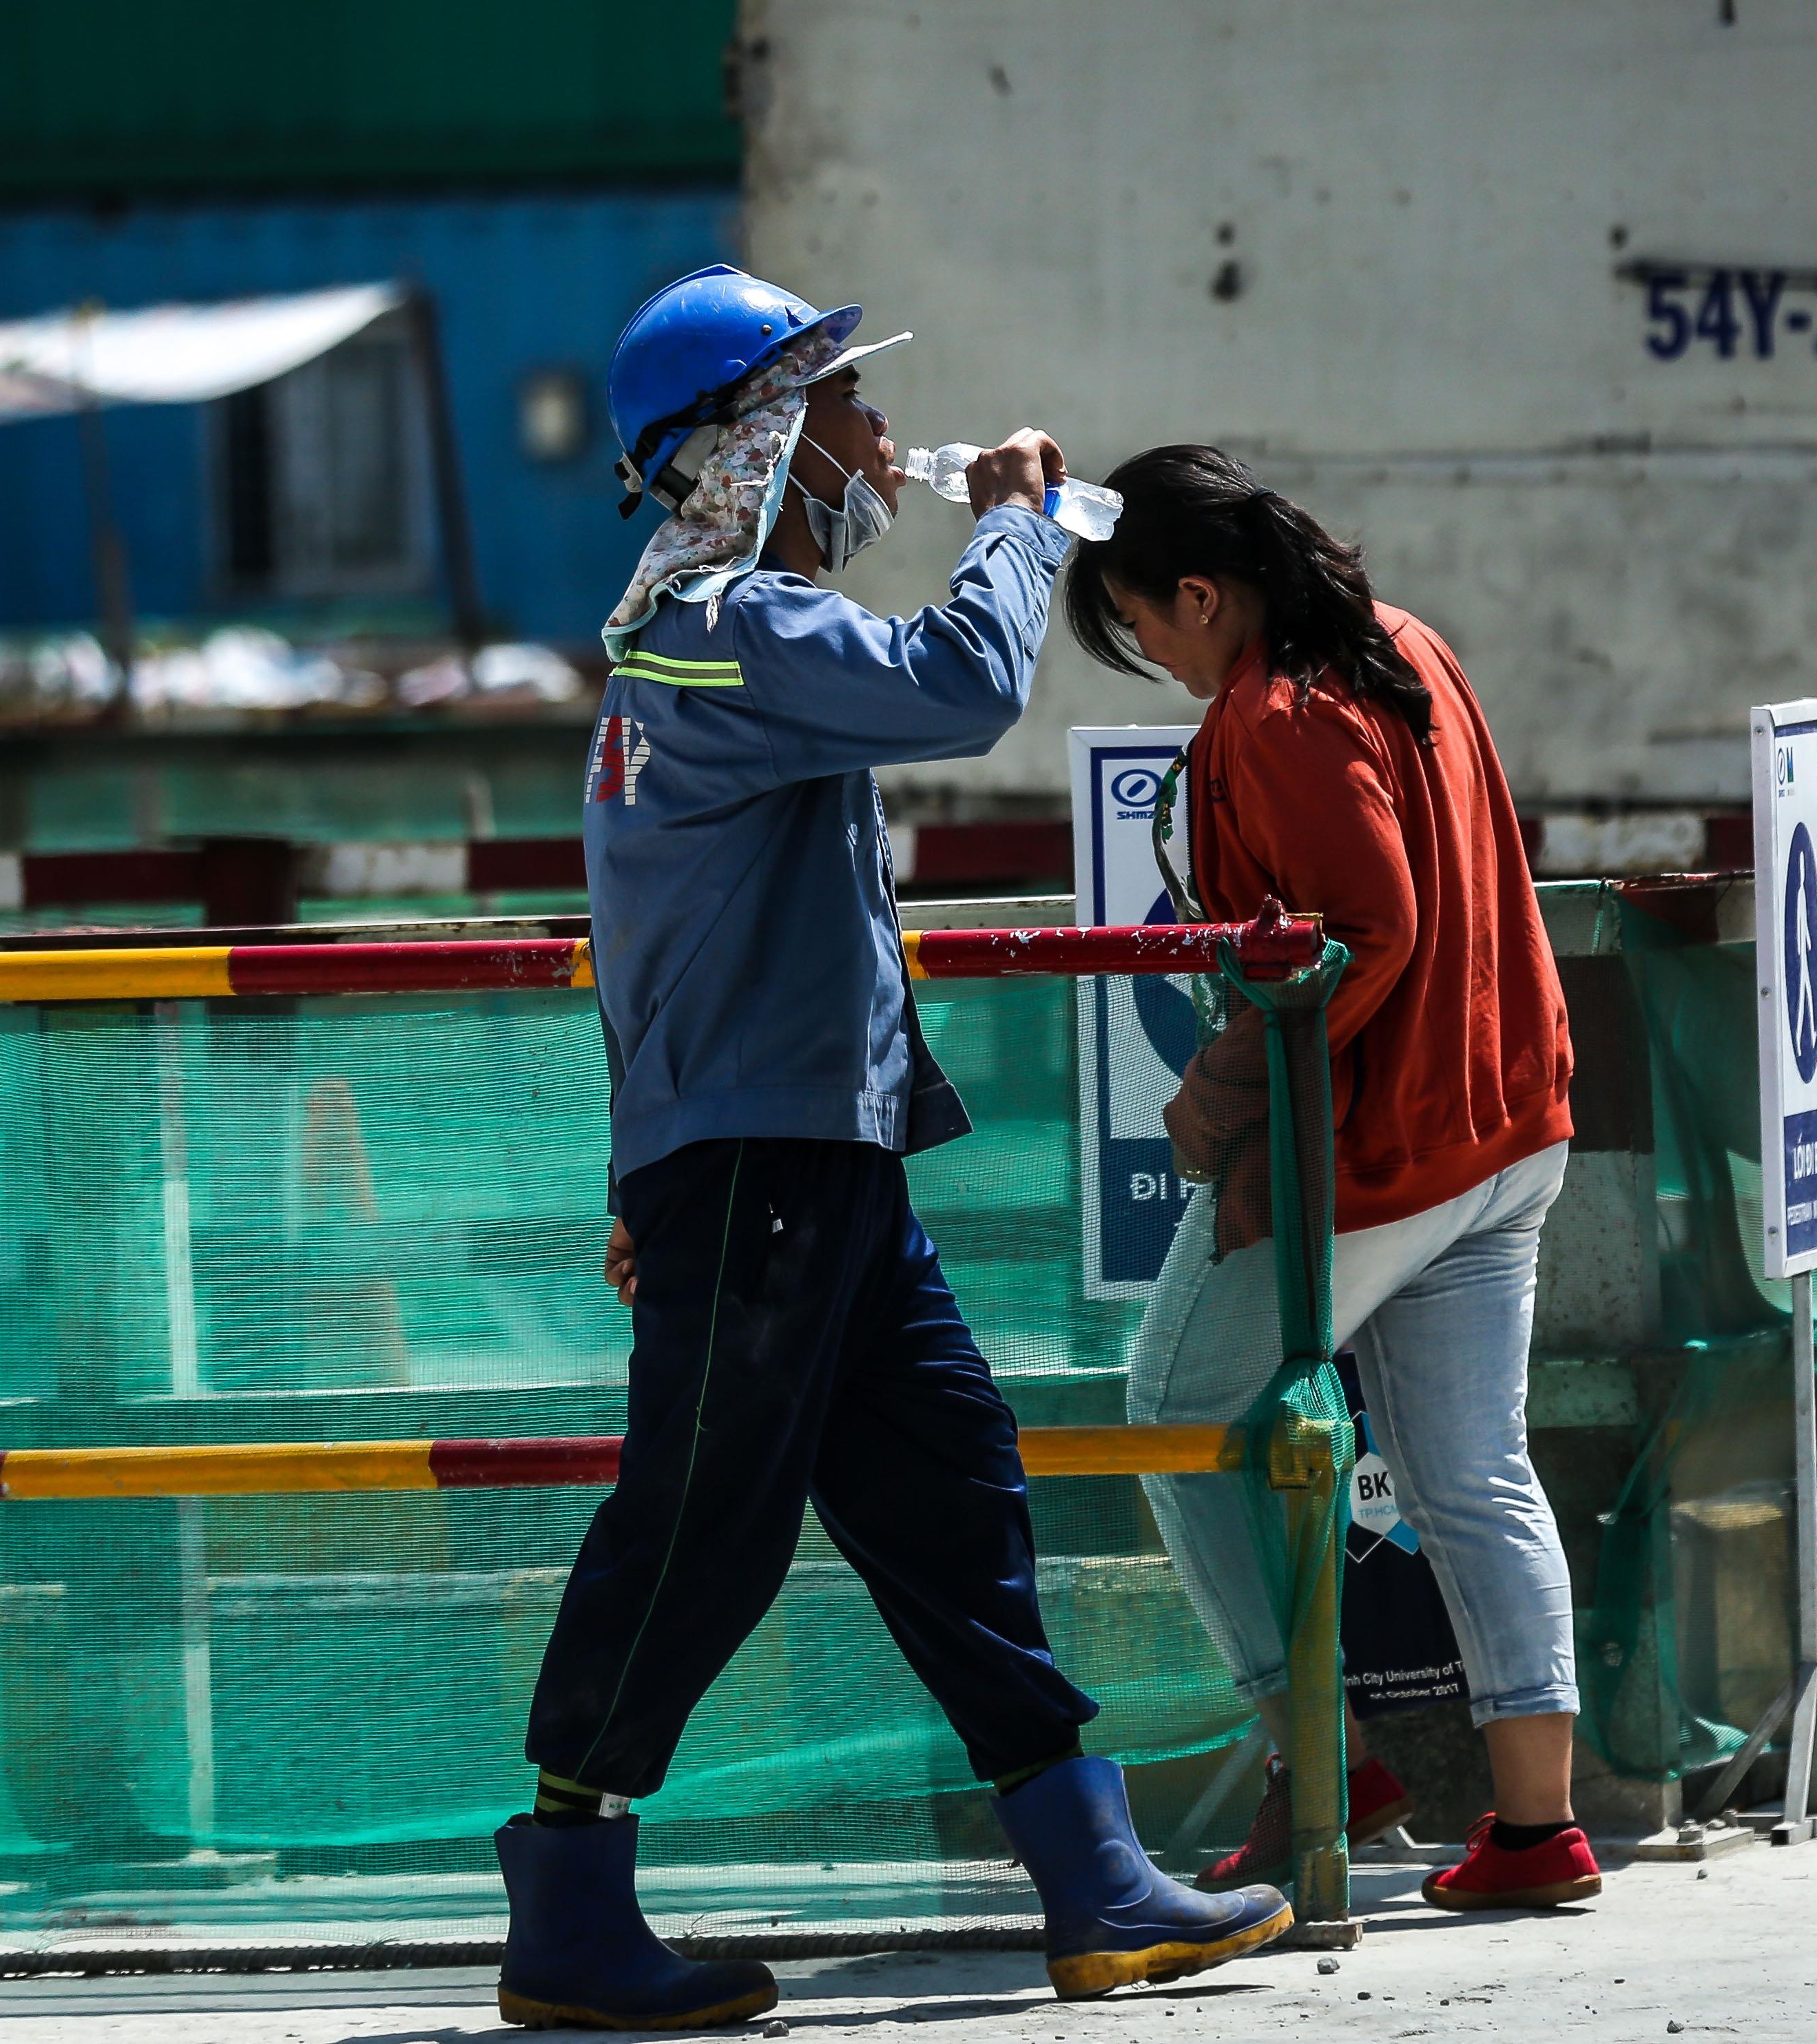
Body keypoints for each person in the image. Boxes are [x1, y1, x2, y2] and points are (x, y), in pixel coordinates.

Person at [492, 271, 1289, 2032]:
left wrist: (652, 1167)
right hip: (765, 1167)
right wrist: (1012, 524)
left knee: (952, 1493)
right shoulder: (713, 628)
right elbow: (961, 687)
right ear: (754, 445)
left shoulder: (722, 637)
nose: (875, 442)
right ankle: (563, 1894)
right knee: (701, 1522)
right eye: (842, 407)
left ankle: (1092, 1877)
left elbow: (658, 939)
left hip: (816, 1164)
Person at [1066, 446, 1599, 1912]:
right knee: (1474, 1469)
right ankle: (1535, 1828)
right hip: (1504, 1125)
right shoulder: (1400, 640)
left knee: (1175, 1406)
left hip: (1377, 1155)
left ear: (1199, 590)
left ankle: (1319, 1756)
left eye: (1148, 628)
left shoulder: (1276, 712)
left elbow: (1363, 928)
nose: (1157, 664)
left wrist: (1217, 1095)